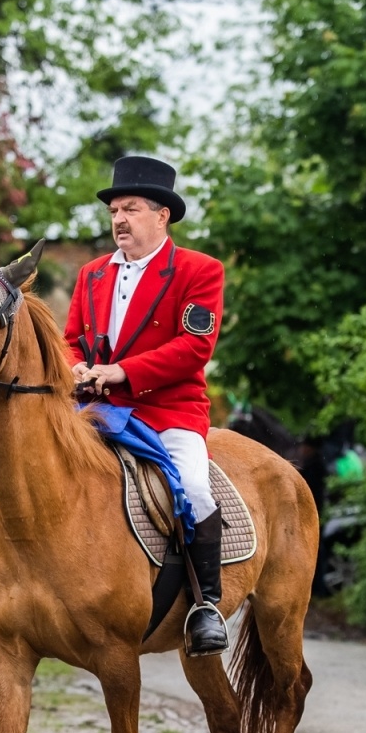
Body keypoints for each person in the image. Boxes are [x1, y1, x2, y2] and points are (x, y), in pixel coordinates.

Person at [63, 155, 229, 656]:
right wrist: (75, 369)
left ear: (162, 215)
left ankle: (207, 606)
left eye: (130, 208)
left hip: (168, 412)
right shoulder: (91, 274)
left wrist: (121, 371)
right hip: (97, 410)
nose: (118, 219)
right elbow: (71, 338)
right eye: (114, 209)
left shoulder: (200, 270)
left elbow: (195, 347)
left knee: (195, 489)